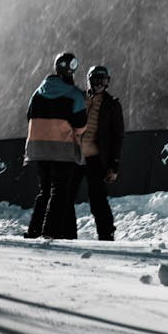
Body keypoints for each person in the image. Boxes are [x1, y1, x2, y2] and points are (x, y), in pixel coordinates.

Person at [24, 51, 87, 239]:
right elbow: (80, 125)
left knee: (44, 191)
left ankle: (34, 230)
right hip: (62, 150)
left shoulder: (37, 93)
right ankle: (51, 232)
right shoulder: (74, 95)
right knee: (60, 192)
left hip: (38, 149)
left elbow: (29, 116)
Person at [69, 65, 125, 241]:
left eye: (102, 80)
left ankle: (106, 234)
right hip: (74, 157)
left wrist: (114, 165)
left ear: (107, 82)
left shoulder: (112, 105)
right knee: (66, 198)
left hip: (95, 159)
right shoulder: (78, 98)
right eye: (95, 80)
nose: (98, 84)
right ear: (89, 81)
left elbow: (118, 136)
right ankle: (67, 234)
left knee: (98, 199)